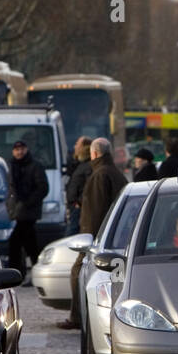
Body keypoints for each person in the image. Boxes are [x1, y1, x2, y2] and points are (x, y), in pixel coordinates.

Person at [60, 137, 127, 330]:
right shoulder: (113, 172)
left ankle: (78, 317)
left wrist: (91, 241)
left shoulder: (100, 175)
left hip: (96, 239)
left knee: (79, 273)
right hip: (109, 238)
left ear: (95, 153)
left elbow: (96, 212)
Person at [5, 139, 48, 277]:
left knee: (15, 241)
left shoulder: (35, 166)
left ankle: (15, 274)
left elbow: (43, 188)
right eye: (16, 150)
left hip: (29, 211)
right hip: (18, 210)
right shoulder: (12, 165)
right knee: (30, 243)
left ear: (27, 149)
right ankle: (34, 271)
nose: (19, 152)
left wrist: (28, 202)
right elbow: (11, 188)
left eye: (22, 149)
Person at [65, 136, 92, 234]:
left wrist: (79, 202)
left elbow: (89, 187)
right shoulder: (80, 164)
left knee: (71, 235)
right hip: (74, 207)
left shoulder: (88, 165)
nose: (75, 147)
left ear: (84, 148)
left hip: (79, 208)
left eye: (77, 144)